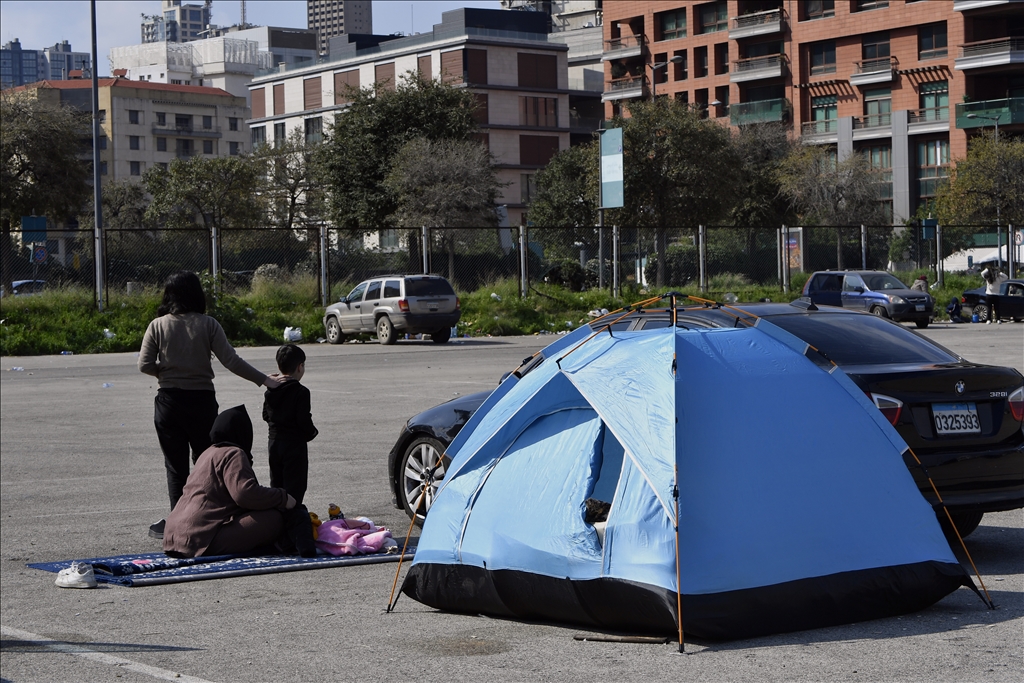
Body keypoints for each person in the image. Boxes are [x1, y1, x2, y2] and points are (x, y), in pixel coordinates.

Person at [139, 271, 281, 540]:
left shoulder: (157, 325)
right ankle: (208, 517)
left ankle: (176, 523)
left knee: (175, 467)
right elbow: (231, 360)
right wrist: (264, 380)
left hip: (168, 403)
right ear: (197, 295)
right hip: (202, 402)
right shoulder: (208, 324)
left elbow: (144, 364)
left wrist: (166, 373)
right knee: (207, 464)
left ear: (169, 295)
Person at [163, 405, 315, 558]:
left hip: (173, 536)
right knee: (276, 519)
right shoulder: (233, 453)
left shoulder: (207, 453)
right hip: (199, 539)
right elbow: (245, 494)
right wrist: (282, 497)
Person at [262, 344, 318, 505]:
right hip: (294, 446)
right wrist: (311, 433)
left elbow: (265, 415)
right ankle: (294, 523)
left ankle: (277, 522)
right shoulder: (301, 392)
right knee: (295, 489)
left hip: (274, 443)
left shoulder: (270, 390)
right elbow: (303, 420)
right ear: (300, 367)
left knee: (277, 487)